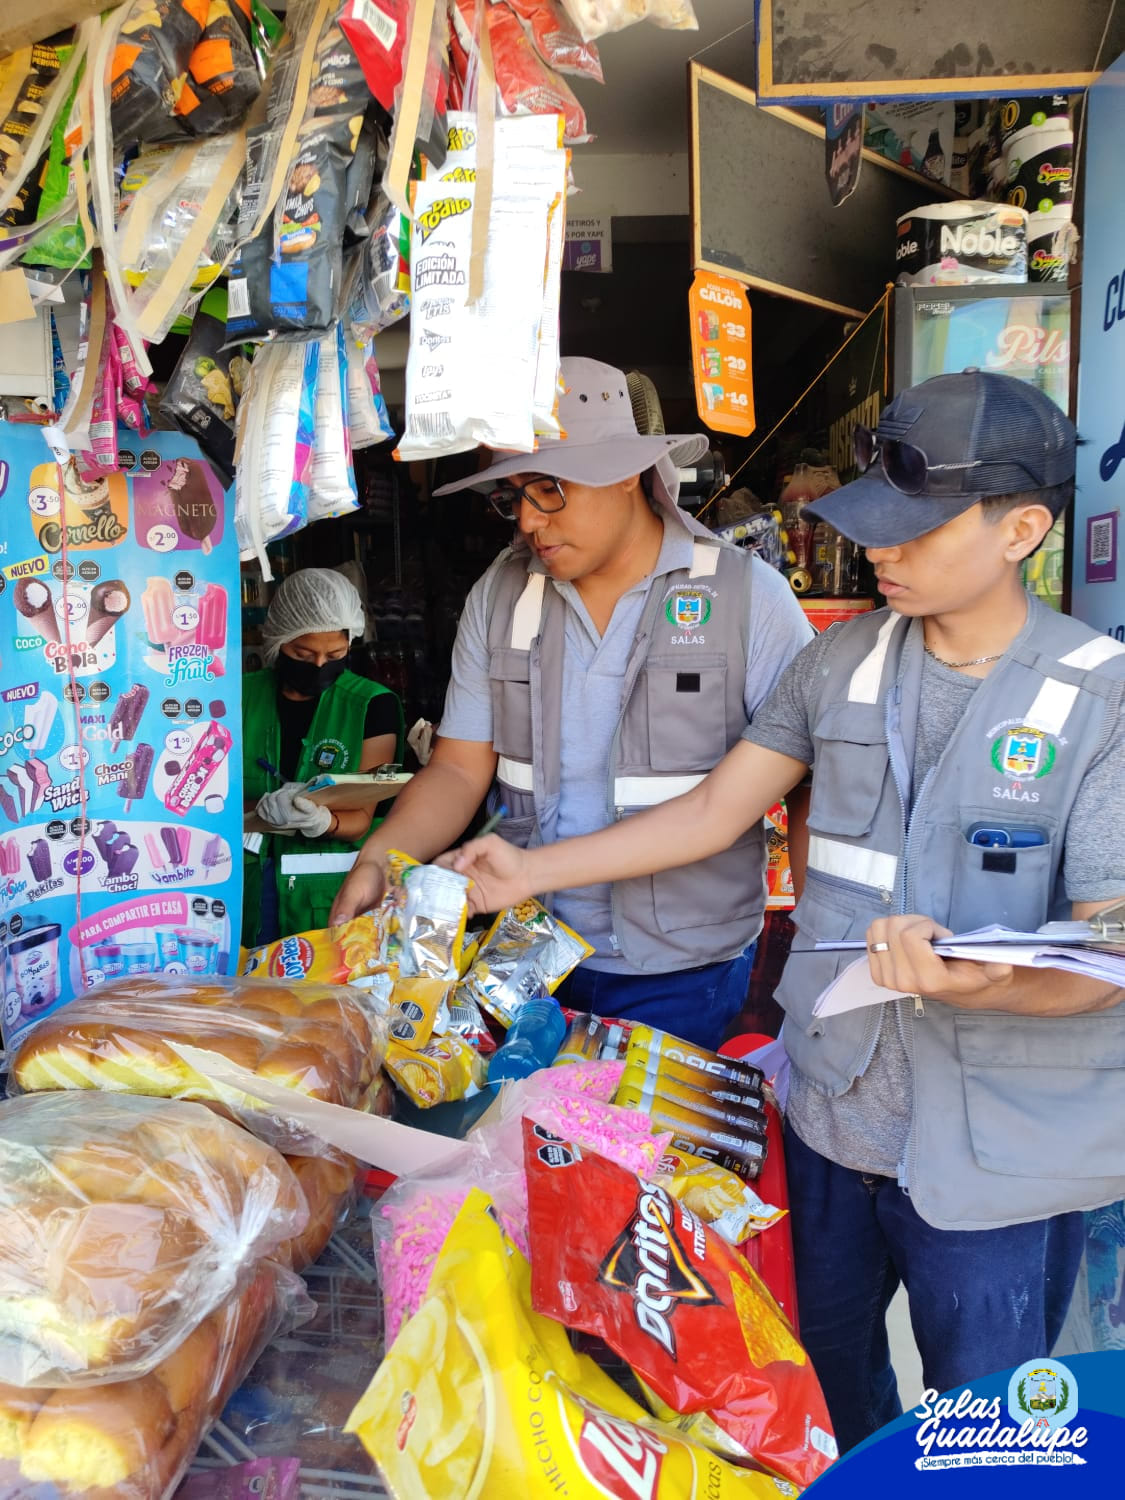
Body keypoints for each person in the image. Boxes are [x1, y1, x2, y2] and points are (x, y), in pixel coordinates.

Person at [444, 371, 1125, 1448]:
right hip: (827, 1113)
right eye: (874, 530)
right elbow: (718, 810)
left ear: (1022, 530)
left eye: (914, 531)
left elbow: (1114, 937)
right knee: (823, 1394)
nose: (880, 553)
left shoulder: (1102, 697)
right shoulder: (837, 661)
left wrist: (999, 979)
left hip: (995, 1147)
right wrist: (533, 870)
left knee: (981, 1427)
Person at [331, 356, 813, 1048]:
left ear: (624, 472)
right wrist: (381, 856)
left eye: (549, 490)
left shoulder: (746, 599)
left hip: (681, 965)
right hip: (526, 952)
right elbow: (461, 769)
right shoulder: (502, 596)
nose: (528, 519)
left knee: (648, 1154)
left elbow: (797, 788)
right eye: (512, 495)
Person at [243, 569, 403, 945]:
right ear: (277, 640)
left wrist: (321, 820)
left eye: (335, 654)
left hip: (326, 900)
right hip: (245, 889)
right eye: (302, 652)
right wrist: (261, 809)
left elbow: (362, 817)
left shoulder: (371, 706)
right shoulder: (238, 696)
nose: (318, 665)